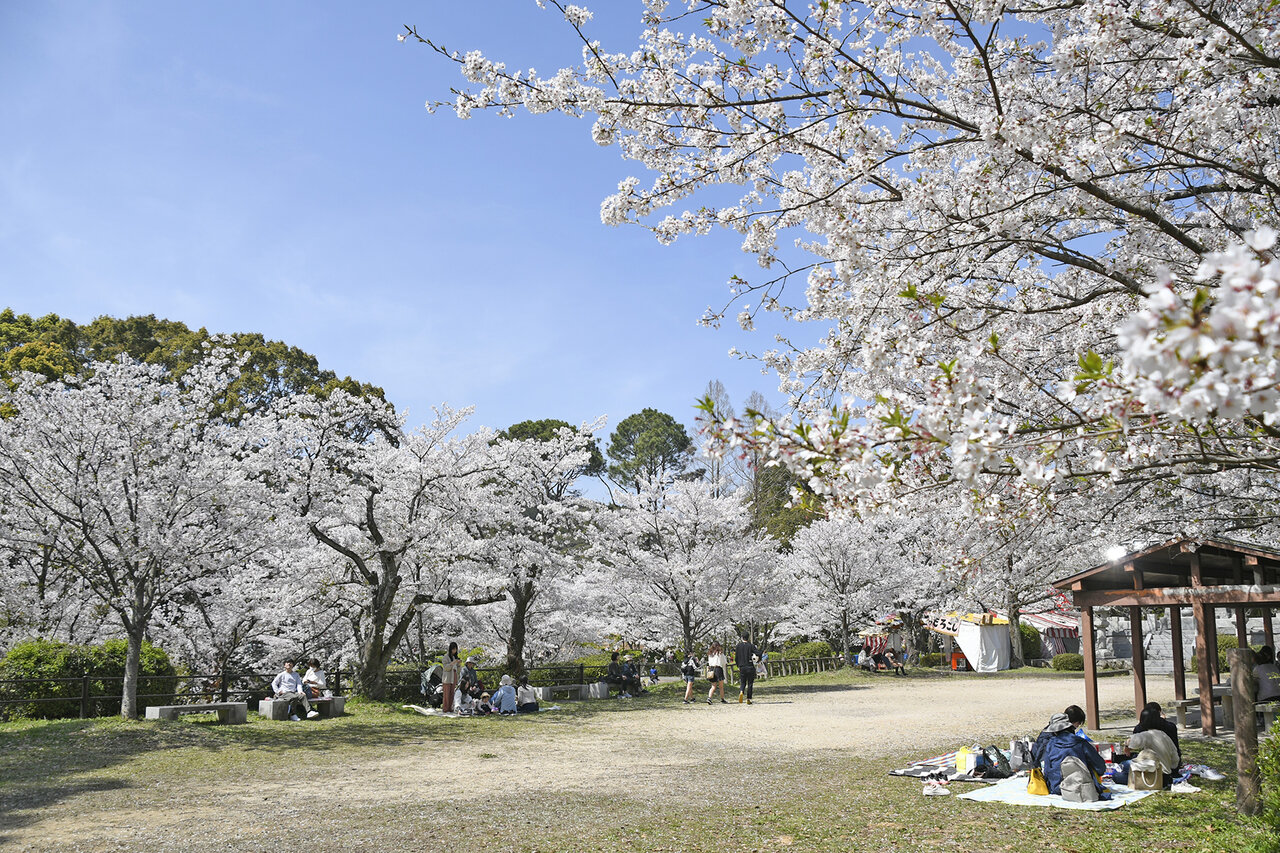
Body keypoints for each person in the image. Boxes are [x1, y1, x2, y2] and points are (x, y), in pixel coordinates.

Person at [1035, 704, 1106, 797]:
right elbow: (1100, 766)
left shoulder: (1050, 743)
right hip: (1080, 787)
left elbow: (1047, 770)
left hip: (1056, 787)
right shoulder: (1081, 743)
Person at [734, 632, 759, 705]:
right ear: (748, 637)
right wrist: (759, 658)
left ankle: (741, 691)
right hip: (750, 666)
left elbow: (736, 658)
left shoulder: (738, 646)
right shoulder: (751, 646)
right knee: (750, 683)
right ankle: (748, 698)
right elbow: (757, 653)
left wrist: (738, 665)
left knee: (743, 682)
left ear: (742, 637)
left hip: (742, 666)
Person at [441, 642, 462, 713]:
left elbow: (459, 669)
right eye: (453, 649)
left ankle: (450, 708)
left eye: (455, 649)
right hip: (447, 677)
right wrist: (452, 663)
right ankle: (445, 708)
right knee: (446, 694)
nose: (454, 651)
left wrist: (458, 664)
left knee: (452, 693)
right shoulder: (446, 657)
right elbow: (446, 668)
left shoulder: (455, 657)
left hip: (454, 676)